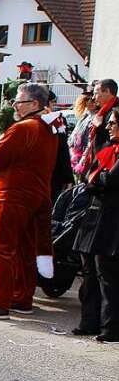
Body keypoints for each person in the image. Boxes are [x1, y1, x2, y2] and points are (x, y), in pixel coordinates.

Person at [0, 82, 58, 319]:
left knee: (1, 248)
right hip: (37, 195)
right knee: (24, 249)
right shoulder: (50, 129)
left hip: (13, 194)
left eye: (18, 102)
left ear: (33, 104)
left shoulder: (23, 128)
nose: (14, 106)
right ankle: (22, 296)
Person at [73, 109, 119, 343]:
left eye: (113, 123)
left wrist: (97, 180)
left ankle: (111, 328)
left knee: (108, 276)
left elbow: (108, 179)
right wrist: (96, 180)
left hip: (111, 221)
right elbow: (89, 174)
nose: (109, 127)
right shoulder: (107, 149)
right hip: (94, 216)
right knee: (89, 272)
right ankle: (89, 322)